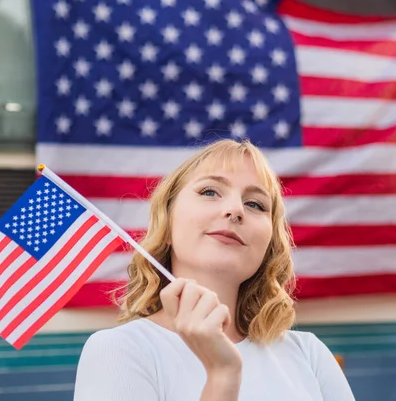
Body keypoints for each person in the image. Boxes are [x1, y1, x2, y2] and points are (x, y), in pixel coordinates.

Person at [73, 139, 356, 401]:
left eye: (255, 204)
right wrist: (222, 375)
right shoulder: (119, 350)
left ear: (269, 245)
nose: (235, 210)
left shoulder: (309, 354)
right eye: (210, 191)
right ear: (167, 223)